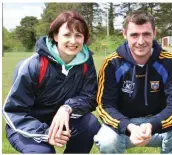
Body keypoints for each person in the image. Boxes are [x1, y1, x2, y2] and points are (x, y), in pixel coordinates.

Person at [93, 10, 172, 153]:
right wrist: (129, 127)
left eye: (146, 34)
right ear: (124, 34)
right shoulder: (111, 63)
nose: (141, 41)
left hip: (157, 125)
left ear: (154, 33)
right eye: (134, 35)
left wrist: (152, 125)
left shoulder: (169, 62)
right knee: (106, 140)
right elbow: (104, 105)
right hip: (126, 127)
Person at [3, 11, 101, 153]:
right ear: (55, 36)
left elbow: (91, 96)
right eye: (67, 35)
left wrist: (67, 108)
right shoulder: (33, 65)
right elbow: (14, 111)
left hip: (63, 120)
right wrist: (46, 133)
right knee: (44, 152)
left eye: (78, 35)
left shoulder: (86, 63)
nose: (73, 41)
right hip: (26, 125)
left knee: (90, 124)